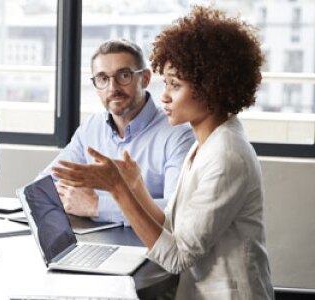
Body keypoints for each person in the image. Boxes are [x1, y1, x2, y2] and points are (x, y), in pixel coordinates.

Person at [53, 6, 274, 300]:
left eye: (175, 85)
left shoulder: (226, 156)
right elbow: (173, 225)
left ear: (212, 88)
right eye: (166, 83)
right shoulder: (206, 143)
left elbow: (177, 258)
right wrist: (136, 188)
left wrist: (118, 190)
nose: (165, 95)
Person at [37, 38, 194, 224]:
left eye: (124, 75)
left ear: (144, 79)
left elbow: (174, 212)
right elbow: (44, 185)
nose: (113, 88)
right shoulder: (91, 127)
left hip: (149, 248)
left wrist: (96, 206)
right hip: (93, 241)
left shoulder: (178, 134)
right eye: (103, 78)